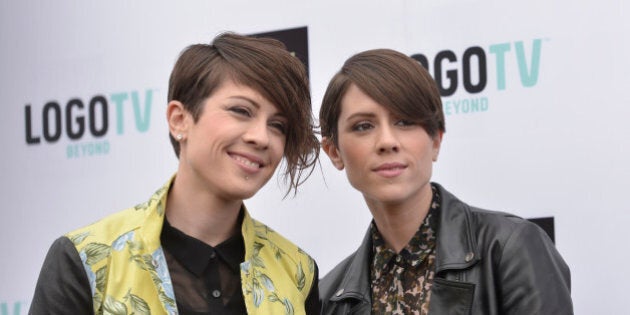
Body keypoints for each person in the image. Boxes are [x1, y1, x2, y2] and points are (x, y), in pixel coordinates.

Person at [30, 32, 321, 315]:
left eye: (278, 125)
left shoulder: (296, 270)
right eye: (241, 111)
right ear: (179, 120)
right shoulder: (87, 258)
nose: (261, 137)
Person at [318, 48, 573, 314]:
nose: (387, 142)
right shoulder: (330, 298)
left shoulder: (510, 249)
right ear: (334, 152)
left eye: (404, 122)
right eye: (363, 126)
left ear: (436, 141)